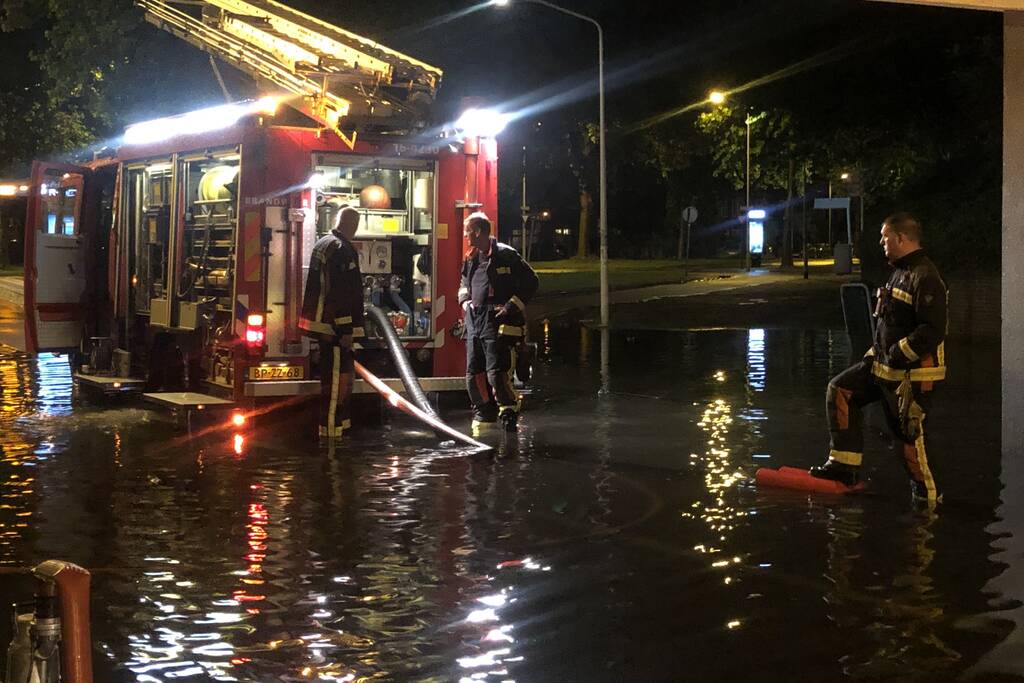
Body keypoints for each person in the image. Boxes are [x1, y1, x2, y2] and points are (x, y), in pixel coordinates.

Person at [810, 212, 948, 504]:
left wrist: (897, 354)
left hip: (910, 378)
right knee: (841, 390)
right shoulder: (900, 271)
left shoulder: (925, 276)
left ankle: (928, 507)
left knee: (908, 443)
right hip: (883, 368)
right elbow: (889, 322)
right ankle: (844, 467)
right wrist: (876, 353)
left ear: (901, 238)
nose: (881, 242)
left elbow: (932, 330)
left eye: (885, 237)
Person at [458, 212, 539, 431]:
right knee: (473, 373)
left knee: (496, 372)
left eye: (468, 232)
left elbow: (532, 281)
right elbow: (464, 282)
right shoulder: (471, 257)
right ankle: (484, 412)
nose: (465, 236)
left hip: (497, 321)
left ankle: (508, 412)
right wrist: (465, 301)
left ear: (478, 232)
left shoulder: (507, 255)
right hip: (474, 320)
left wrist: (511, 307)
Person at [299, 205, 365, 440]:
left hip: (325, 326)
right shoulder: (341, 249)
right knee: (338, 383)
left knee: (340, 379)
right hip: (335, 329)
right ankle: (331, 435)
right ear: (353, 225)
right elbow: (340, 293)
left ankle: (340, 428)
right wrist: (346, 329)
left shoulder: (323, 243)